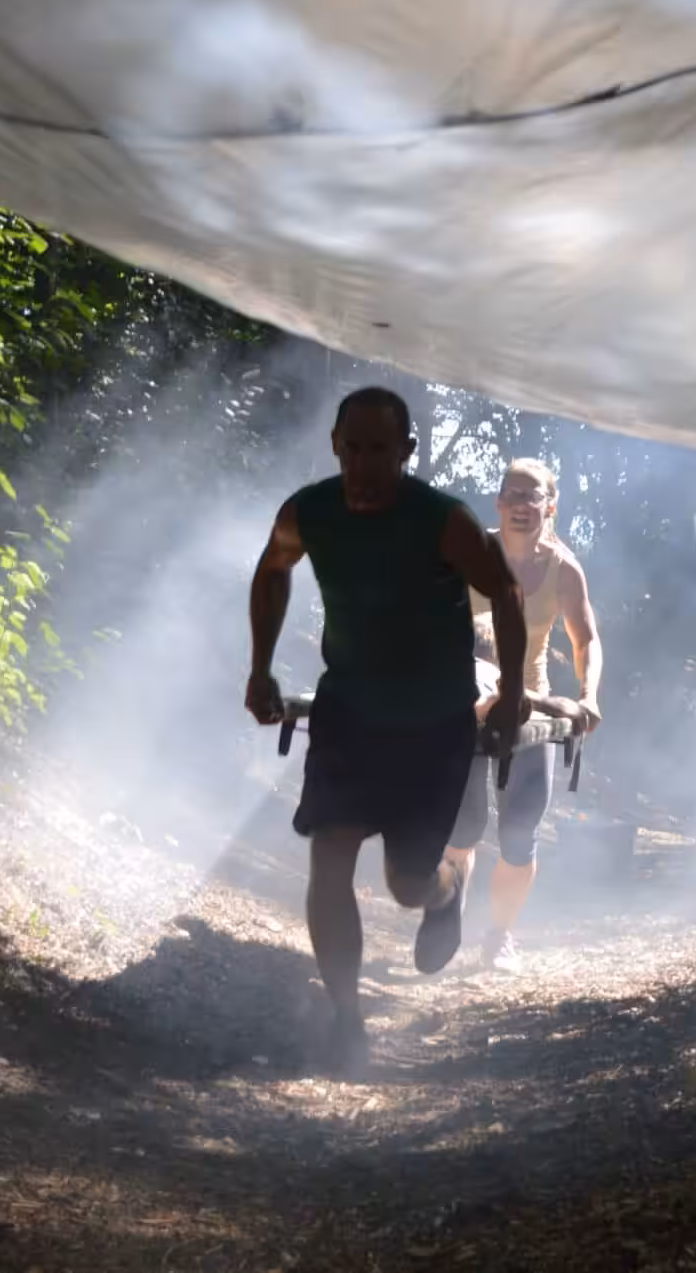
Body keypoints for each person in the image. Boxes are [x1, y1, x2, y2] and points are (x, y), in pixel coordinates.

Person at [246, 386, 529, 1066]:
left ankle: (445, 890)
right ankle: (347, 1018)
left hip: (433, 727)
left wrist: (514, 693)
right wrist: (259, 669)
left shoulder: (443, 520)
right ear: (336, 447)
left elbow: (505, 591)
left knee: (405, 883)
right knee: (330, 855)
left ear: (406, 451)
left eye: (380, 449)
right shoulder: (309, 512)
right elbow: (273, 568)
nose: (365, 463)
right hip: (349, 712)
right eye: (353, 448)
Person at [445, 458, 603, 973]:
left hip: (529, 706)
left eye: (531, 496)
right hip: (467, 697)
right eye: (511, 493)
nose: (519, 504)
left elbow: (586, 641)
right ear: (498, 503)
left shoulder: (563, 570)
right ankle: (446, 922)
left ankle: (498, 939)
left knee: (518, 835)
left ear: (549, 507)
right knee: (462, 829)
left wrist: (589, 695)